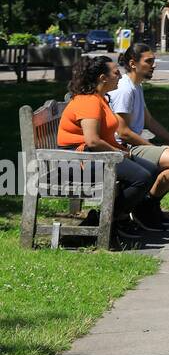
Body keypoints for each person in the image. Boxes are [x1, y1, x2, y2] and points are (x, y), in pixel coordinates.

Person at [56, 55, 154, 243]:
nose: (120, 76)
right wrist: (118, 153)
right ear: (103, 78)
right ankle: (110, 220)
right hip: (78, 162)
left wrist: (121, 150)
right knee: (141, 177)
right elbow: (92, 141)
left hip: (95, 155)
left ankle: (111, 218)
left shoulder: (100, 99)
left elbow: (103, 137)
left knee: (151, 169)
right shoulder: (89, 102)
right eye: (116, 73)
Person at [108, 44, 169, 231]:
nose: (153, 65)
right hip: (124, 147)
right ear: (133, 64)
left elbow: (149, 122)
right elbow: (123, 132)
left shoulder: (136, 86)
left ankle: (149, 203)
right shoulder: (125, 90)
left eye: (154, 61)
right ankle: (144, 207)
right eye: (149, 61)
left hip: (134, 144)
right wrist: (155, 148)